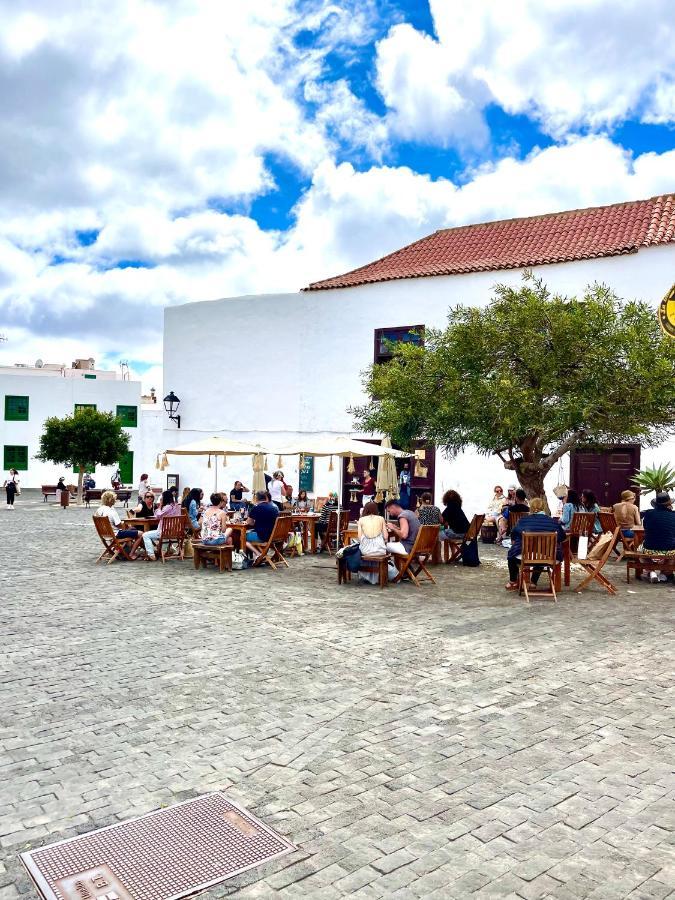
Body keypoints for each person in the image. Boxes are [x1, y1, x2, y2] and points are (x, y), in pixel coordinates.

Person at [505, 497, 565, 590]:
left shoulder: (523, 521)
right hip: (549, 557)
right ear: (544, 508)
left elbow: (513, 535)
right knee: (542, 553)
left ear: (531, 508)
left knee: (511, 555)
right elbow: (562, 537)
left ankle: (513, 581)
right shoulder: (553, 522)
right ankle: (533, 583)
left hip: (525, 556)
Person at [95, 490, 142, 557]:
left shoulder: (99, 509)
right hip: (116, 534)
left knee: (133, 529)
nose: (115, 500)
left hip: (105, 534)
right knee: (141, 534)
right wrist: (126, 525)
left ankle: (125, 549)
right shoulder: (111, 511)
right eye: (114, 499)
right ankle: (131, 553)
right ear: (111, 500)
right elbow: (120, 525)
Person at [640, 492, 675, 583]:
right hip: (669, 549)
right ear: (669, 504)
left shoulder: (648, 513)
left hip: (649, 548)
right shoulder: (673, 515)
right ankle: (665, 573)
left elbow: (645, 527)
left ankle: (651, 571)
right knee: (672, 548)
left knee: (639, 549)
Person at [355, 500, 389, 583]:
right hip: (380, 550)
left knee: (355, 544)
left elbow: (360, 537)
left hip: (366, 550)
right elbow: (386, 536)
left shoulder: (361, 520)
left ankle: (365, 575)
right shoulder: (381, 518)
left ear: (365, 509)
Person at [142, 489, 182, 560]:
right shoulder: (177, 507)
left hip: (165, 532)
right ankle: (163, 552)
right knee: (164, 536)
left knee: (145, 535)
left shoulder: (167, 507)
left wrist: (160, 506)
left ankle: (151, 555)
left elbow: (158, 515)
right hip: (175, 532)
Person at [245, 490, 280, 558]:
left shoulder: (256, 508)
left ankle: (258, 554)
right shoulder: (274, 508)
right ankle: (261, 554)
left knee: (242, 537)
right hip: (274, 536)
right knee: (251, 534)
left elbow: (249, 522)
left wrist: (255, 522)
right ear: (266, 498)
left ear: (256, 498)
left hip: (262, 536)